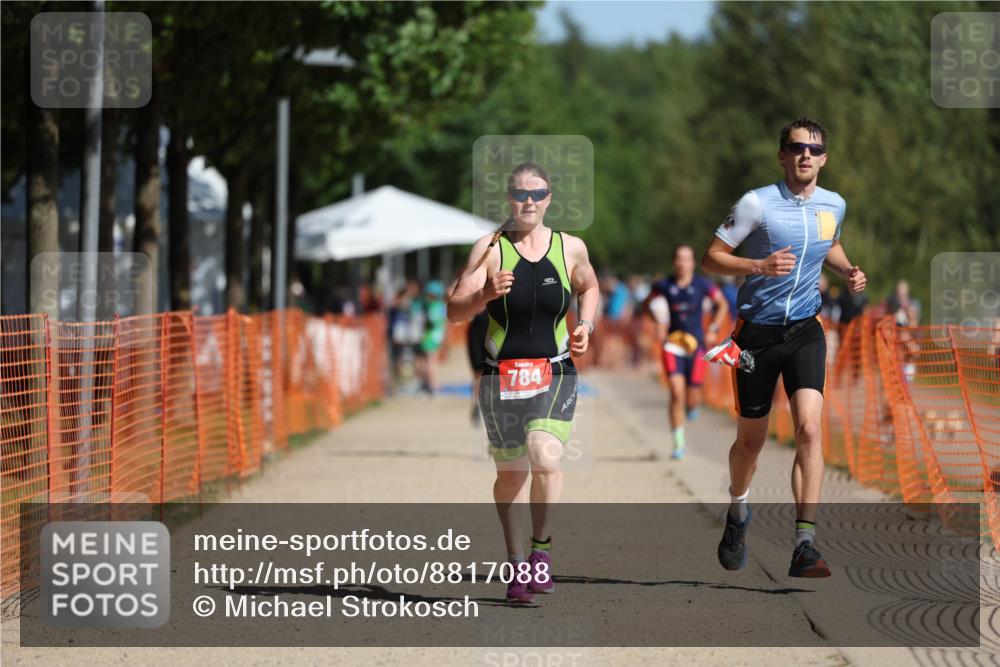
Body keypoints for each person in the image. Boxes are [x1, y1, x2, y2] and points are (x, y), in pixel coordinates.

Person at [702, 116, 867, 578]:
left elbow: (827, 244)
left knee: (811, 431)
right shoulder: (757, 203)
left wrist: (848, 270)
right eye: (796, 148)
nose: (805, 156)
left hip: (804, 331)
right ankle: (737, 511)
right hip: (755, 335)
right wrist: (758, 264)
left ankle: (805, 543)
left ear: (824, 158)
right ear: (782, 155)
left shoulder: (835, 203)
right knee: (750, 443)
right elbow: (711, 257)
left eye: (814, 149)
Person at [447, 161, 600, 603]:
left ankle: (541, 553)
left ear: (549, 199)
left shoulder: (569, 247)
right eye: (520, 194)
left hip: (555, 370)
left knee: (545, 456)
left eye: (537, 194)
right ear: (509, 200)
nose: (528, 202)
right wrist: (484, 294)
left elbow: (589, 287)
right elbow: (455, 310)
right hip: (501, 378)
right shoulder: (489, 248)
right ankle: (516, 566)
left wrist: (585, 325)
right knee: (511, 475)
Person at [642, 244, 728, 459]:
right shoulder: (663, 285)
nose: (682, 263)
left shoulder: (703, 284)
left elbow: (723, 305)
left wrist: (713, 329)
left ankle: (692, 406)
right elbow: (646, 305)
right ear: (674, 262)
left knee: (692, 399)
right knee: (675, 392)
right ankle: (678, 443)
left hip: (696, 346)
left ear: (692, 263)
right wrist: (658, 324)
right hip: (672, 345)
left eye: (687, 259)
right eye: (679, 259)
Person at [414, 280, 447, 395]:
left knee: (429, 362)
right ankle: (429, 384)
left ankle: (431, 384)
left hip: (430, 337)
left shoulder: (430, 306)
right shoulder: (441, 306)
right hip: (436, 336)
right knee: (429, 361)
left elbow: (432, 322)